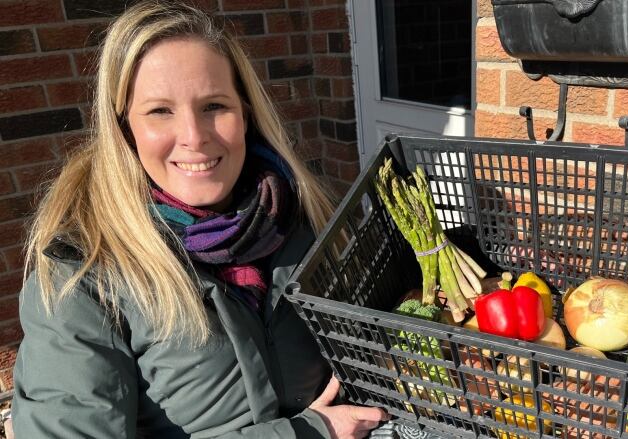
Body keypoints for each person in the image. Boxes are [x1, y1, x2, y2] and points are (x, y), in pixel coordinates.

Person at [10, 1, 389, 438]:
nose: (194, 136)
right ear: (124, 128)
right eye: (159, 111)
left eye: (214, 105)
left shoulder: (301, 213)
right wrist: (305, 433)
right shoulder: (83, 274)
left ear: (244, 113)